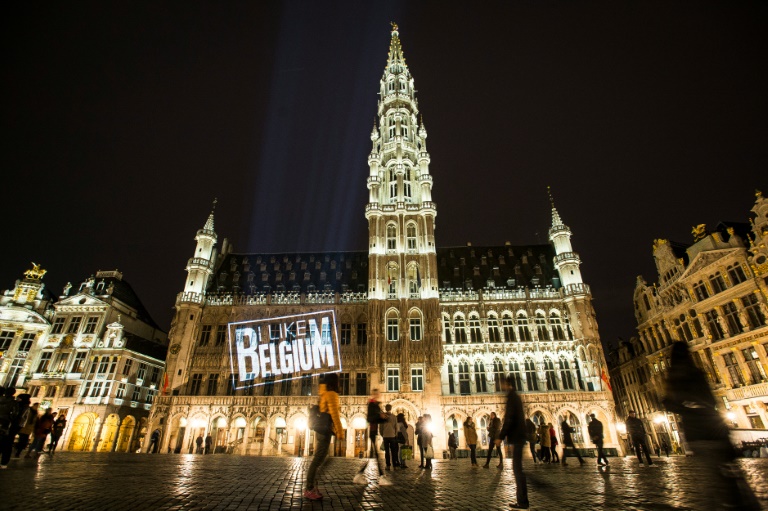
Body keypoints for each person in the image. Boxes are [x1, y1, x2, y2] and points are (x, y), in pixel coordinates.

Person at [664, 341, 760, 511]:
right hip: (713, 430)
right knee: (728, 478)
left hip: (696, 435)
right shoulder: (696, 374)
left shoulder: (673, 378)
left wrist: (686, 407)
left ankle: (719, 503)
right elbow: (711, 401)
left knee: (712, 479)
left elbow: (669, 403)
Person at [304, 373, 343, 501]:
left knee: (320, 459)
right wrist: (340, 431)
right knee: (318, 460)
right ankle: (309, 488)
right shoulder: (331, 394)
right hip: (325, 429)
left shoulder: (324, 393)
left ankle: (312, 486)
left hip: (321, 429)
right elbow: (334, 414)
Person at [498, 374, 530, 510]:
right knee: (518, 469)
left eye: (502, 384)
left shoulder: (512, 397)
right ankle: (522, 500)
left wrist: (501, 435)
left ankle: (522, 501)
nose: (500, 387)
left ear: (507, 384)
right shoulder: (515, 396)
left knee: (518, 469)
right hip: (519, 436)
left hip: (517, 437)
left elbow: (509, 419)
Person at [380, 403, 399, 469]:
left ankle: (388, 465)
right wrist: (395, 434)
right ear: (390, 409)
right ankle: (395, 465)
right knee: (393, 451)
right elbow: (396, 427)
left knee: (387, 452)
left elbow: (381, 428)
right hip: (392, 436)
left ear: (386, 409)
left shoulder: (382, 417)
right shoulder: (394, 417)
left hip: (385, 436)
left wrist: (382, 434)